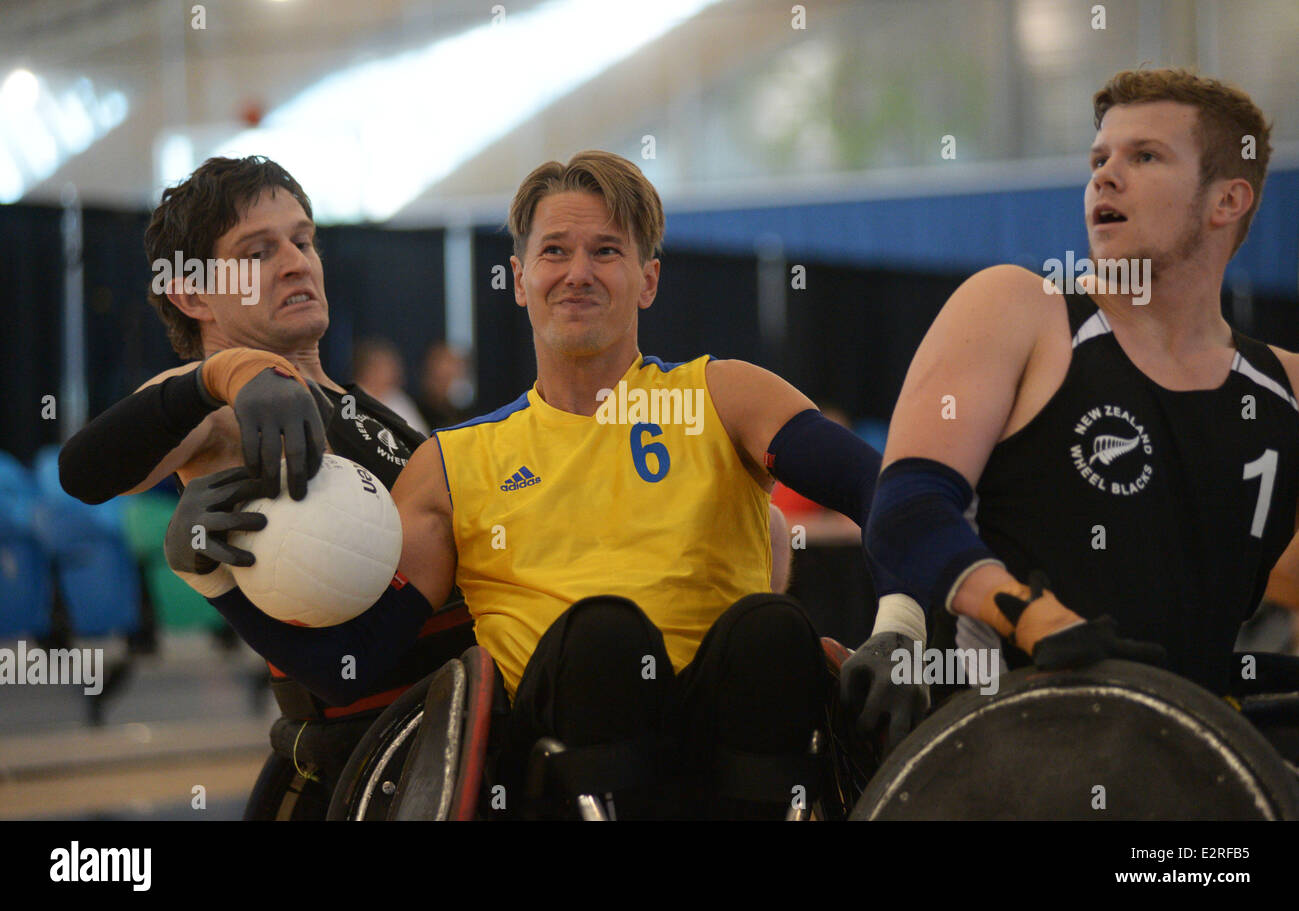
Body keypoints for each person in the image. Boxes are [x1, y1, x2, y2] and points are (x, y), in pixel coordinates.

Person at [179, 150, 890, 819]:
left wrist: (903, 624)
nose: (577, 271)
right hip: (554, 762)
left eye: (606, 251)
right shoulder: (455, 462)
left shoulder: (724, 395)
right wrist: (217, 582)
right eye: (555, 251)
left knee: (774, 630)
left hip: (730, 748)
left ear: (648, 278)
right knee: (603, 635)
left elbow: (885, 494)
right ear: (519, 278)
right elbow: (352, 667)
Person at [850, 67, 1298, 745]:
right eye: (1099, 159)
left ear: (1227, 199)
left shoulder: (1286, 389)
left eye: (1144, 156)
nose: (1105, 176)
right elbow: (906, 513)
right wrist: (1030, 615)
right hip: (1011, 740)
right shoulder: (1020, 309)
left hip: (1188, 750)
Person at [58, 156, 473, 817]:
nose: (295, 262)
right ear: (193, 295)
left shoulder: (370, 405)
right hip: (367, 774)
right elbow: (83, 471)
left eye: (303, 240)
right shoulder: (218, 413)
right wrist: (219, 374)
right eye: (257, 252)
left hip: (454, 746)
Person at [353, 337, 431, 436]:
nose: (397, 372)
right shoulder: (351, 399)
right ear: (370, 369)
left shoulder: (398, 399)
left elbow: (422, 437)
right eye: (388, 367)